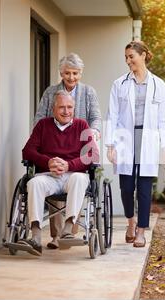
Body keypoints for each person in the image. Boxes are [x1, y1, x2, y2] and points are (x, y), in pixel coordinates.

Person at [104, 41, 165, 248]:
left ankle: (141, 232)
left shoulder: (158, 84)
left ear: (143, 55)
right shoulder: (119, 84)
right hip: (126, 138)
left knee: (144, 187)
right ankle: (130, 222)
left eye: (131, 57)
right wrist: (110, 145)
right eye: (126, 57)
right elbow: (113, 114)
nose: (128, 61)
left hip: (149, 139)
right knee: (126, 187)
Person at [18, 90, 98, 256]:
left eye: (69, 107)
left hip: (73, 175)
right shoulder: (43, 125)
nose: (66, 111)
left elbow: (92, 154)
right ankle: (36, 236)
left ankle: (68, 230)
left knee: (78, 179)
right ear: (53, 109)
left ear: (74, 109)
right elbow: (27, 151)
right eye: (62, 107)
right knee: (33, 182)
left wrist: (69, 165)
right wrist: (47, 161)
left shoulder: (81, 125)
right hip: (49, 176)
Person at [34, 53, 102, 250]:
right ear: (60, 73)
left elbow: (96, 116)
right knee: (53, 184)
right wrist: (40, 135)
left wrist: (93, 132)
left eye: (75, 73)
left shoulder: (88, 92)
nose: (71, 77)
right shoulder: (50, 92)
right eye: (67, 73)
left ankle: (69, 231)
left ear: (80, 73)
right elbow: (40, 117)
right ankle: (56, 236)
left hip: (79, 147)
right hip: (54, 144)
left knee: (77, 180)